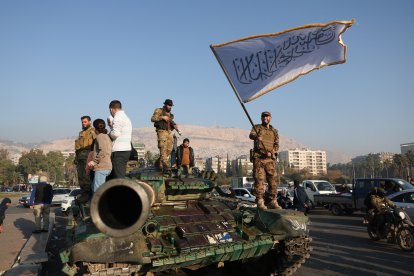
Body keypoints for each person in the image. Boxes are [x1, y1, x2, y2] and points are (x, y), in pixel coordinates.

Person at [249, 111, 280, 210]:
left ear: (270, 118)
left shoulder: (274, 131)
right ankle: (260, 201)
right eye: (263, 116)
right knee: (259, 180)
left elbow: (276, 144)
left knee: (273, 180)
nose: (265, 118)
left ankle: (272, 200)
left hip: (269, 159)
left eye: (267, 116)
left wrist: (272, 152)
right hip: (259, 159)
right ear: (261, 118)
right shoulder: (257, 127)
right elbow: (251, 135)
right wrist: (256, 137)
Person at [151, 99, 178, 173]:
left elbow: (170, 123)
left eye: (171, 106)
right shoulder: (159, 110)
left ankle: (158, 163)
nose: (170, 107)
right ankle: (165, 166)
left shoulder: (170, 115)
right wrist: (162, 117)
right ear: (165, 105)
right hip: (161, 131)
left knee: (168, 150)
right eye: (169, 105)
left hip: (169, 132)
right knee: (163, 147)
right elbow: (153, 118)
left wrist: (174, 126)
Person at [107, 100, 132, 179]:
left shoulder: (117, 117)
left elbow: (115, 134)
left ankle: (121, 191)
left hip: (119, 151)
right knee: (120, 174)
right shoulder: (125, 117)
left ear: (111, 109)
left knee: (119, 178)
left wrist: (108, 135)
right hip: (126, 150)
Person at [87, 119, 112, 193]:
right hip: (106, 166)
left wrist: (94, 161)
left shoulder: (100, 137)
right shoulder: (106, 136)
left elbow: (103, 151)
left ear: (94, 129)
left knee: (98, 192)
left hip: (101, 167)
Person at [74, 115, 96, 200]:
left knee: (86, 176)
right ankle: (84, 193)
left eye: (85, 122)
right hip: (80, 156)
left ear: (90, 122)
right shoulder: (81, 133)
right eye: (82, 122)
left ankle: (87, 194)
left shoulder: (92, 131)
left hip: (87, 155)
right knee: (80, 177)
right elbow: (78, 146)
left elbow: (95, 143)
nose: (83, 124)